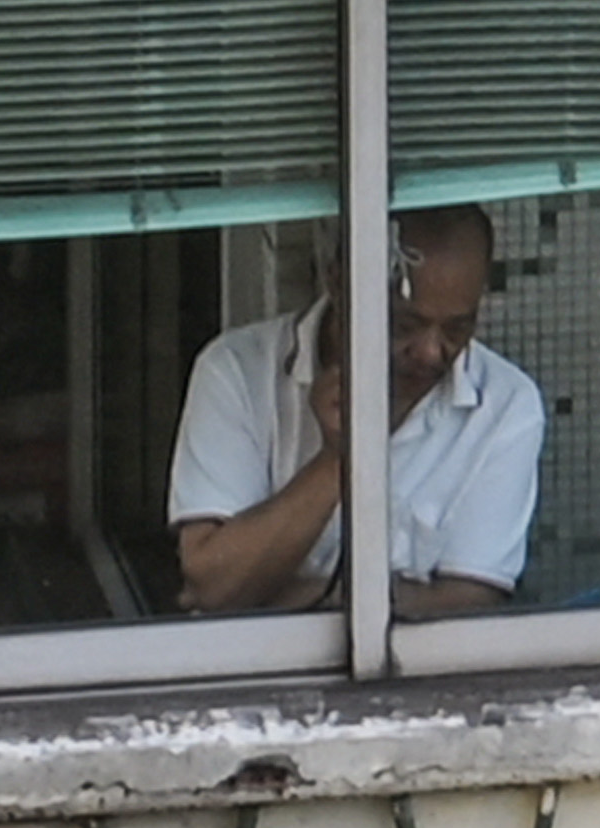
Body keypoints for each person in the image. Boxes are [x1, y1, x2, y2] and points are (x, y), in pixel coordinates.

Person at [169, 207, 542, 618]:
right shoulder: (236, 370)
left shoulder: (506, 405)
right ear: (338, 284)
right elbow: (213, 584)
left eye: (457, 330)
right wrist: (337, 459)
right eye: (403, 326)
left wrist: (306, 595)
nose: (431, 352)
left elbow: (473, 598)